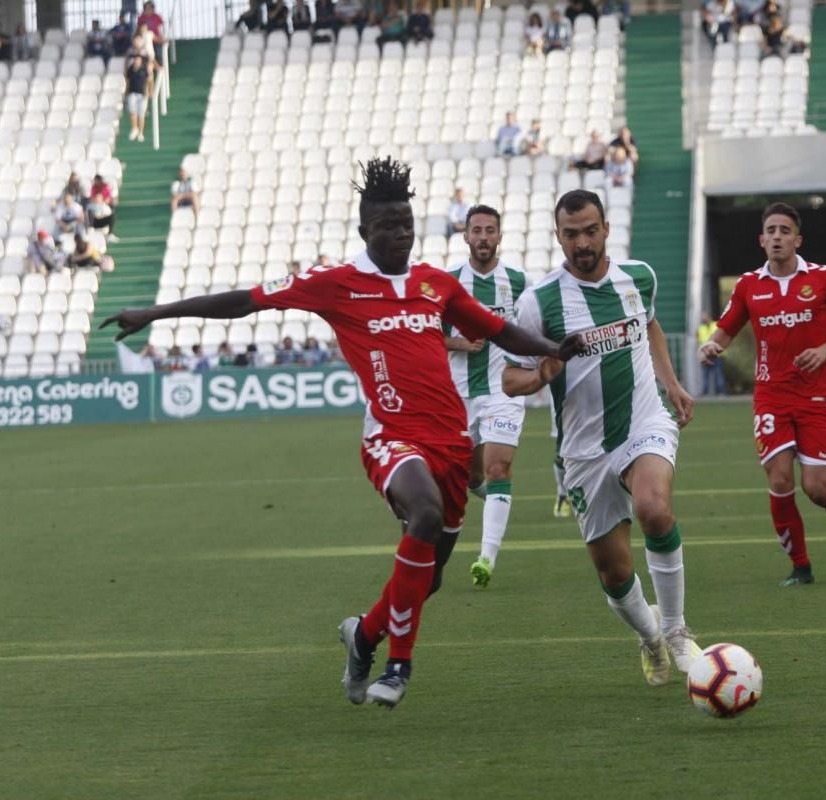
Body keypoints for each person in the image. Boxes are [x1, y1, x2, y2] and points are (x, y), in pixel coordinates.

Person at [101, 157, 583, 709]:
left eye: (406, 222)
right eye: (387, 225)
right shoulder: (337, 284)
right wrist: (155, 312)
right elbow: (244, 302)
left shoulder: (435, 284)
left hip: (451, 439)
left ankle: (364, 635)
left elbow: (497, 329)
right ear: (363, 231)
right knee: (423, 514)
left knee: (430, 578)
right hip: (391, 436)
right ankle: (398, 666)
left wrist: (551, 349)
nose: (400, 232)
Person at [503, 189, 701, 685]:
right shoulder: (539, 302)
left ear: (607, 228)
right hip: (584, 451)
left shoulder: (639, 277)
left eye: (591, 230)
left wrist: (671, 383)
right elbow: (510, 378)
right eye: (571, 234)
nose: (582, 242)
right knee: (614, 573)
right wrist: (545, 372)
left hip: (643, 421)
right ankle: (650, 639)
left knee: (654, 509)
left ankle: (676, 631)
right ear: (559, 236)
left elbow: (649, 325)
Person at [698, 202, 826, 587]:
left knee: (815, 488)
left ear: (797, 239)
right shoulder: (748, 285)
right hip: (770, 395)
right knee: (780, 478)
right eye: (770, 230)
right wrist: (711, 348)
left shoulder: (823, 278)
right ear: (761, 239)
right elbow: (726, 330)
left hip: (814, 397)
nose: (776, 237)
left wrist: (824, 350)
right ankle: (801, 566)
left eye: (784, 230)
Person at [442, 205, 530, 588]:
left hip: (503, 389)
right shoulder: (447, 284)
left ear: (499, 236)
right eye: (476, 230)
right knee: (471, 475)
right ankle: (497, 499)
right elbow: (428, 334)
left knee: (498, 468)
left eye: (489, 230)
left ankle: (486, 558)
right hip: (459, 393)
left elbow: (532, 329)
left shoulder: (519, 282)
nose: (482, 236)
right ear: (465, 236)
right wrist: (458, 342)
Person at [696, 312, 725, 396]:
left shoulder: (716, 325)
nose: (703, 319)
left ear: (709, 317)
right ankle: (705, 392)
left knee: (718, 374)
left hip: (716, 354)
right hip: (706, 354)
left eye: (704, 317)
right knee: (705, 375)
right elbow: (698, 338)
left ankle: (721, 392)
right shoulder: (701, 328)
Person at [125, 54, 150, 143]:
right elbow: (127, 81)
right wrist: (126, 92)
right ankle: (134, 128)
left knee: (141, 114)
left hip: (142, 94)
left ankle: (140, 132)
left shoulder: (144, 70)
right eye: (136, 60)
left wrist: (148, 92)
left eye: (138, 60)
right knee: (133, 112)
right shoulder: (130, 69)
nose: (137, 61)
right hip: (132, 93)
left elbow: (148, 81)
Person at [88, 175, 118, 241]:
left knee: (112, 215)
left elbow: (109, 196)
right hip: (95, 221)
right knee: (89, 212)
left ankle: (110, 234)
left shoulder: (105, 206)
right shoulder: (91, 206)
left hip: (102, 220)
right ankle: (90, 229)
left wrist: (103, 201)